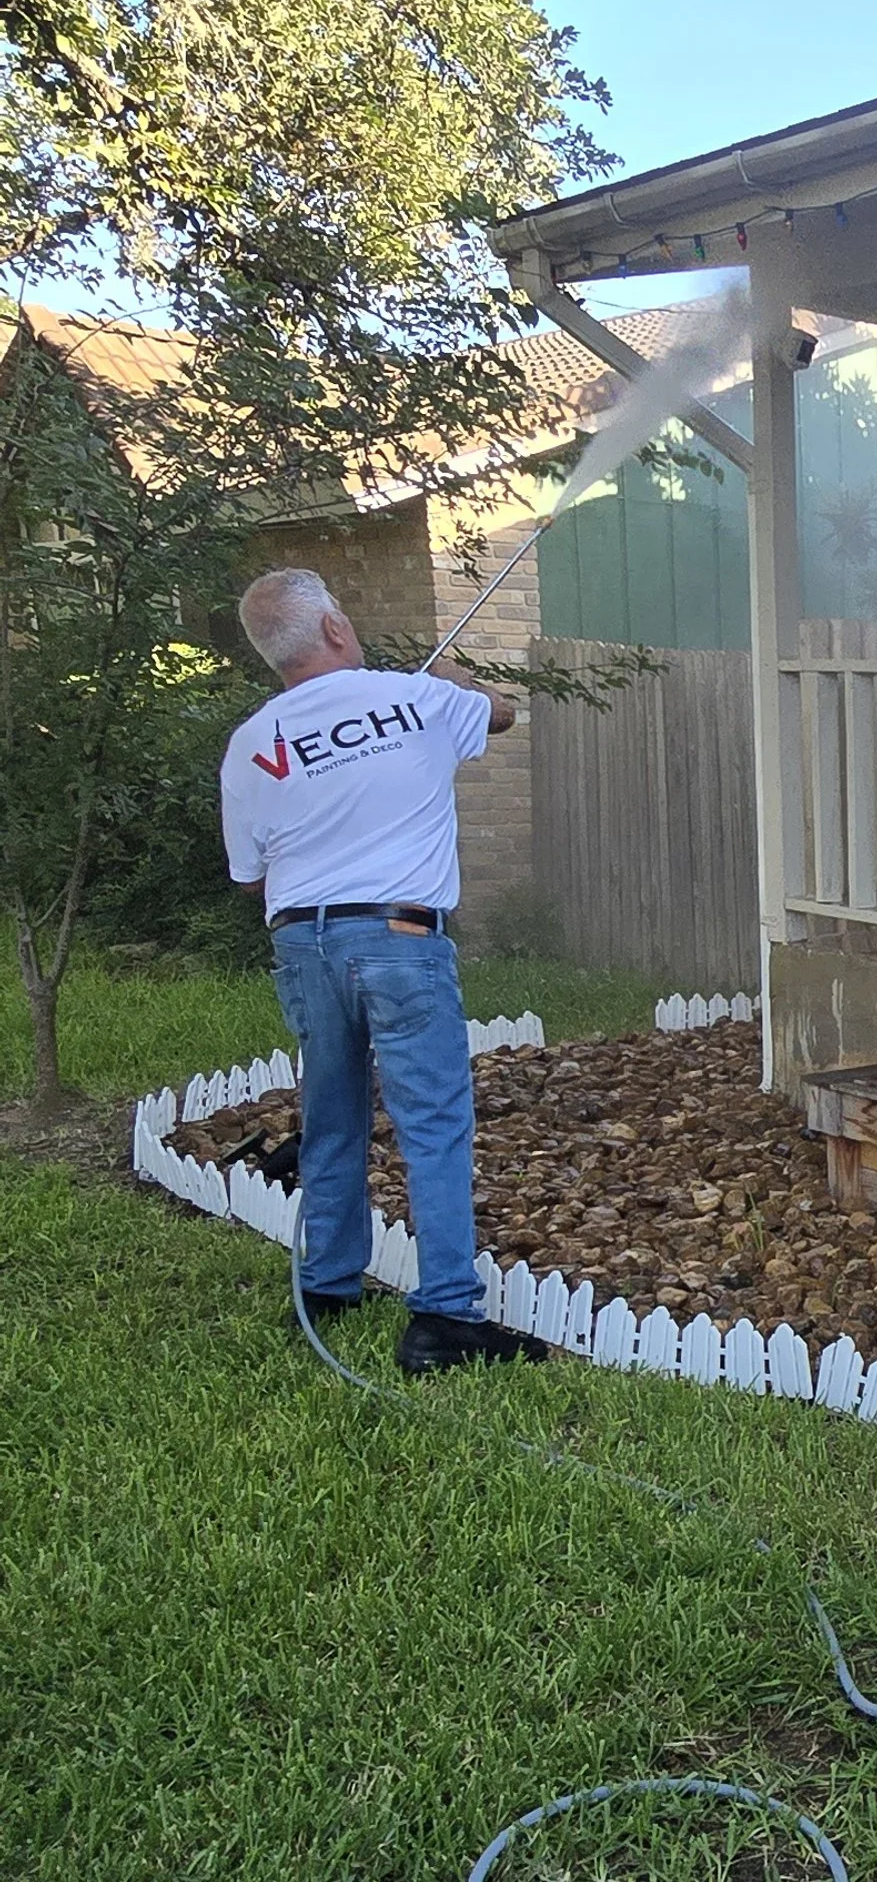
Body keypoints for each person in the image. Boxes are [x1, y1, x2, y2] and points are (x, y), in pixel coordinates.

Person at [220, 567, 540, 1372]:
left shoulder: (254, 742)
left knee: (332, 1116)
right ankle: (443, 1320)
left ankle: (327, 1285)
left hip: (304, 945)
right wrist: (455, 677)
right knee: (433, 1126)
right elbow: (503, 713)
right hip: (401, 941)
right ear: (332, 627)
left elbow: (250, 875)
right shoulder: (419, 700)